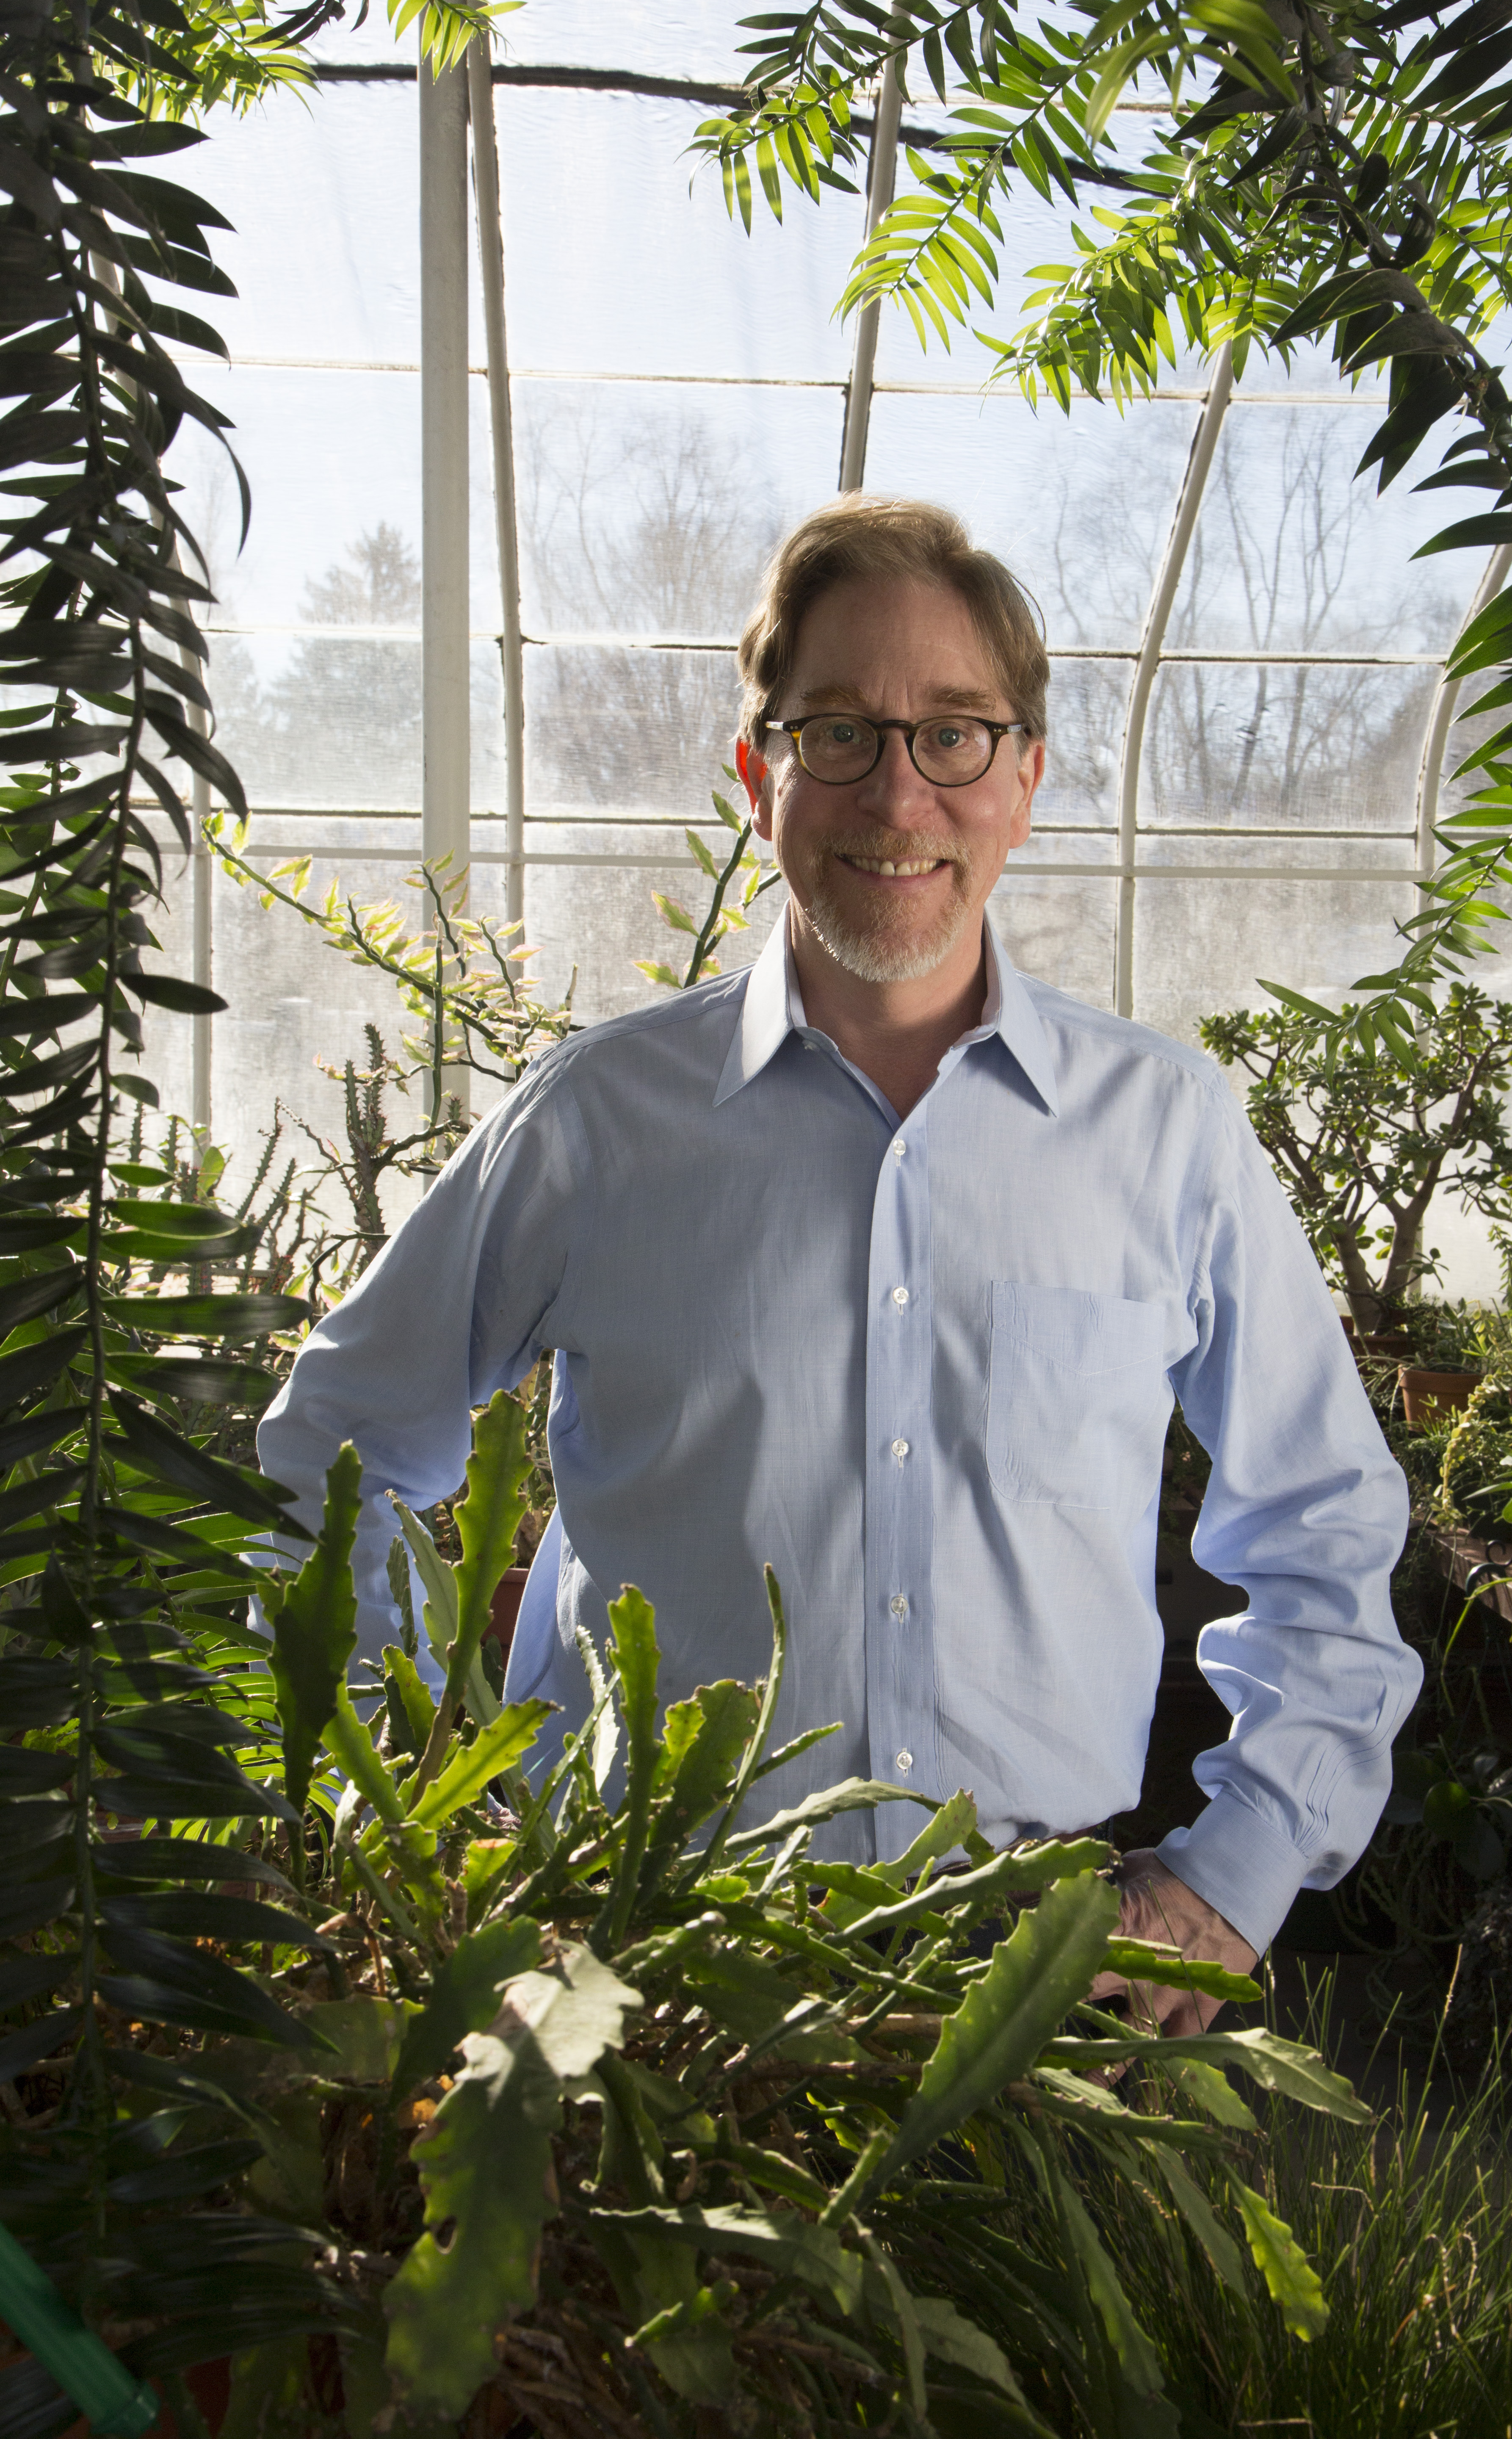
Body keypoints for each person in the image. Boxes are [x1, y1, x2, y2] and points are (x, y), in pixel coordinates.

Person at [259, 495, 1421, 2036]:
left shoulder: (1163, 1133)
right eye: (840, 734)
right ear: (760, 774)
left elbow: (1328, 1525)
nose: (898, 798)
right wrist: (408, 1788)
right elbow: (332, 1443)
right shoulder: (603, 1123)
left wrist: (1234, 1874)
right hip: (642, 1966)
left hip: (1045, 1979)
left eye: (953, 735)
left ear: (1026, 781)